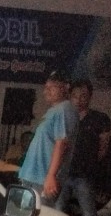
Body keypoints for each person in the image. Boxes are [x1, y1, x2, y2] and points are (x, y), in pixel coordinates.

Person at [56, 78, 110, 216]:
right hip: (62, 175)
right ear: (70, 96)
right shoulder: (63, 116)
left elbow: (103, 149)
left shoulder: (99, 119)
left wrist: (91, 167)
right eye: (76, 96)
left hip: (83, 177)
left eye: (84, 96)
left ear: (90, 97)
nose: (79, 100)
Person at [18, 71, 78, 204]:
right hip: (33, 176)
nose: (47, 91)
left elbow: (61, 143)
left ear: (65, 88)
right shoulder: (54, 110)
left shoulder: (65, 109)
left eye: (52, 87)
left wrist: (51, 176)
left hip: (42, 178)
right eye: (46, 87)